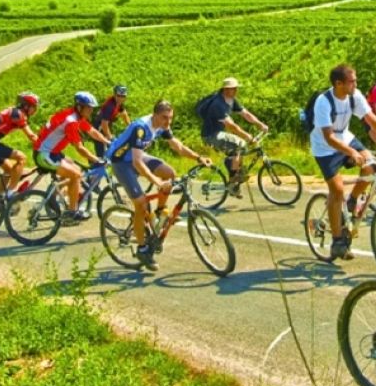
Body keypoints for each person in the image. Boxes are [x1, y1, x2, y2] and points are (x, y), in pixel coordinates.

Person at [309, 63, 376, 261]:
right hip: (325, 147)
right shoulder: (323, 102)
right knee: (336, 190)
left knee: (370, 166)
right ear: (338, 83)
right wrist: (352, 151)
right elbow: (328, 137)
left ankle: (353, 200)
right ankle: (337, 241)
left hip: (345, 137)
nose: (356, 84)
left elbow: (373, 120)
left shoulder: (355, 95)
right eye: (352, 81)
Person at [107, 100, 213, 271]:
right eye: (164, 118)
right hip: (121, 162)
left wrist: (198, 158)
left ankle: (159, 211)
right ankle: (142, 249)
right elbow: (137, 162)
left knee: (169, 173)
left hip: (137, 158)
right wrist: (156, 182)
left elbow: (177, 146)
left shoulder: (162, 126)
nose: (167, 122)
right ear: (154, 115)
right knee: (141, 204)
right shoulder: (140, 128)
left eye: (170, 118)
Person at [32, 92, 110, 220]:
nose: (91, 111)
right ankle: (72, 212)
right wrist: (97, 160)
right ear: (80, 107)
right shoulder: (71, 122)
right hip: (44, 155)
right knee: (76, 175)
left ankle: (55, 194)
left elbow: (92, 131)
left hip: (53, 153)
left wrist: (107, 141)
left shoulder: (75, 116)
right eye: (89, 108)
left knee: (77, 170)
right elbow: (79, 148)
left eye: (92, 108)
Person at [198, 77, 268, 193]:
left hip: (219, 133)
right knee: (240, 143)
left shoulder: (231, 100)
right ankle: (233, 180)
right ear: (225, 90)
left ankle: (233, 182)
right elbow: (232, 126)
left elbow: (245, 114)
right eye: (232, 89)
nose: (235, 90)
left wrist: (260, 124)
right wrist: (247, 136)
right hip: (211, 135)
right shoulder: (218, 104)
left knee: (239, 150)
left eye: (236, 88)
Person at [0, 92, 41, 192]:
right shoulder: (19, 115)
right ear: (26, 106)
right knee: (21, 157)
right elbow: (31, 136)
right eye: (34, 107)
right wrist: (46, 146)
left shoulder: (15, 112)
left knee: (9, 170)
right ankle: (11, 192)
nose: (35, 111)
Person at [92, 85, 131, 158]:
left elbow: (124, 114)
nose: (120, 98)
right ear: (115, 94)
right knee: (101, 151)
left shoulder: (118, 103)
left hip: (107, 124)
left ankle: (102, 161)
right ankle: (96, 164)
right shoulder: (110, 106)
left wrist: (130, 127)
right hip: (99, 126)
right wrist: (109, 136)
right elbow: (104, 124)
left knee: (110, 147)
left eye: (123, 96)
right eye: (118, 96)